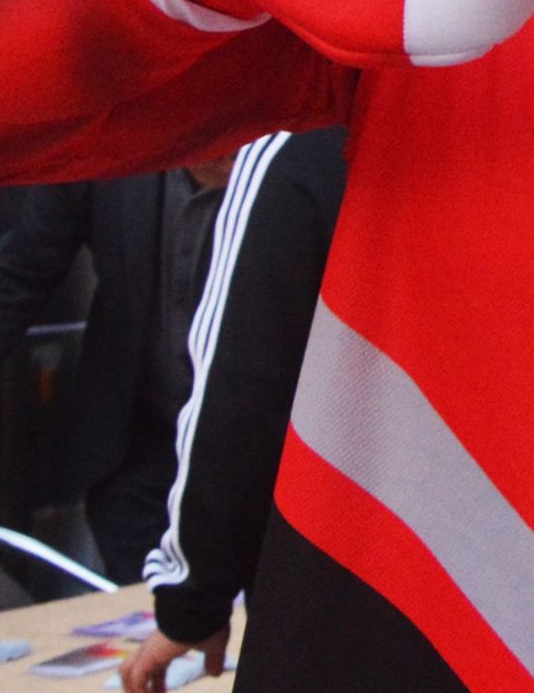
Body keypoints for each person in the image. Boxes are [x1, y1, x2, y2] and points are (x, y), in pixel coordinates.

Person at [0, 149, 250, 578]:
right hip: (142, 461)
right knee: (152, 622)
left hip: (267, 461)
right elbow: (13, 281)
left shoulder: (304, 155)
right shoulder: (109, 146)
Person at [124, 128, 348, 693]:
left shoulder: (294, 148)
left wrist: (192, 600)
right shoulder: (528, 125)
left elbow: (241, 388)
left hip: (342, 577)